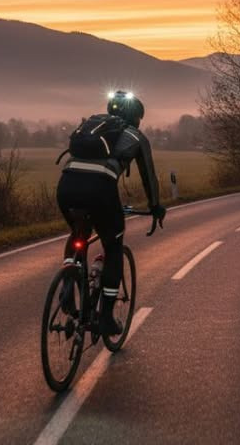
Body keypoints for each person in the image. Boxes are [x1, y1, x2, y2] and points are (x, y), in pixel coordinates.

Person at [56, 90, 165, 335]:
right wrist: (155, 207)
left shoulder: (92, 126)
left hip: (66, 185)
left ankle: (68, 285)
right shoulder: (136, 136)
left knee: (78, 234)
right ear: (137, 116)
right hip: (99, 189)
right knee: (114, 246)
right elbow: (149, 176)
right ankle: (105, 317)